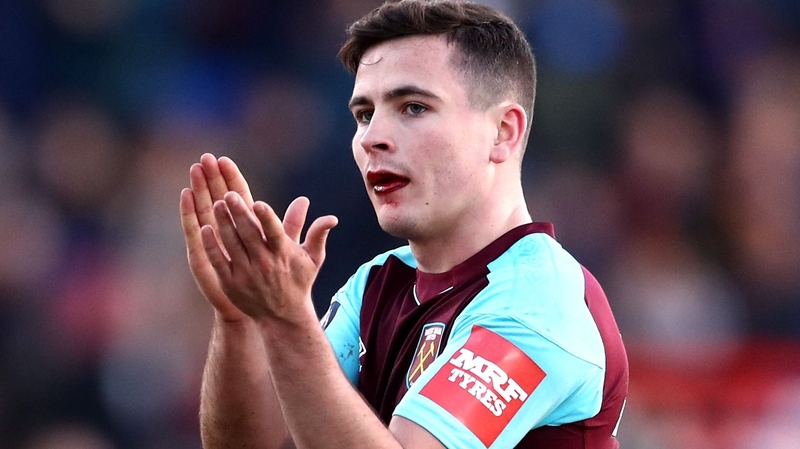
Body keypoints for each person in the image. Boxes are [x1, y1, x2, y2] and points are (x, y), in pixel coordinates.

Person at [179, 1, 628, 448]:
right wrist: (241, 317)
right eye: (364, 114)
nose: (373, 136)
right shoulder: (377, 283)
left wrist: (286, 321)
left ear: (503, 132)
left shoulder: (537, 307)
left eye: (413, 107)